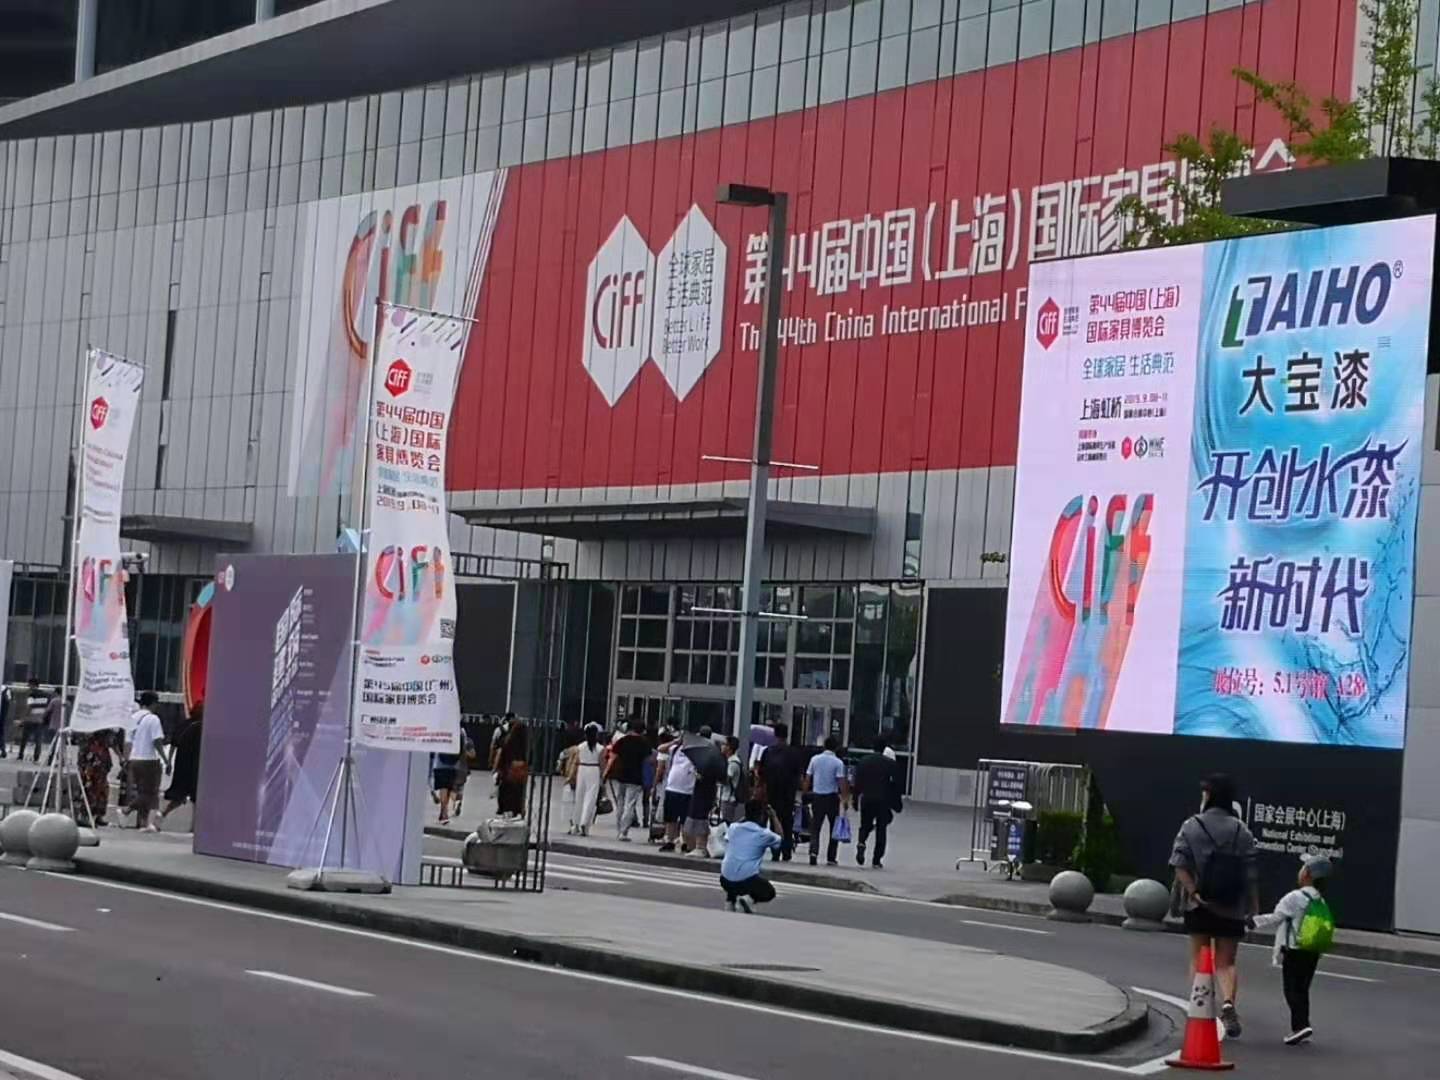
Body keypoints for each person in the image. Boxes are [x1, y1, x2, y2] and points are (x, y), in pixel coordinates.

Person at [1170, 773, 1259, 1039]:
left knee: (1199, 958)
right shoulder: (1241, 830)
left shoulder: (1192, 825)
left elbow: (1179, 864)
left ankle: (1202, 1009)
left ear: (1208, 796)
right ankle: (1228, 1003)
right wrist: (1253, 905)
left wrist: (1193, 891)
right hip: (1232, 905)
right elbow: (1251, 873)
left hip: (1200, 905)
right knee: (1226, 962)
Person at [1250, 854, 1334, 1046]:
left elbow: (1276, 916)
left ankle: (1300, 1026)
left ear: (1307, 874)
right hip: (1312, 951)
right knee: (1303, 989)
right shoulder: (1320, 900)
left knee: (1291, 990)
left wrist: (1252, 922)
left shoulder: (1295, 897)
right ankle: (1302, 1026)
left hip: (1294, 950)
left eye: (1303, 867)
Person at [719, 799, 784, 913]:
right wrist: (774, 816)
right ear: (761, 816)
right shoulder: (763, 834)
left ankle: (730, 901)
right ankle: (748, 899)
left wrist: (748, 814)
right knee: (769, 892)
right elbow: (780, 838)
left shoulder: (733, 828)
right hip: (746, 881)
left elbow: (738, 825)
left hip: (724, 879)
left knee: (735, 866)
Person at [852, 736, 903, 869]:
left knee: (865, 824)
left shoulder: (863, 761)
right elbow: (895, 785)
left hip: (867, 798)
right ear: (884, 748)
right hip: (882, 800)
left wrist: (855, 799)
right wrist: (896, 802)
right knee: (881, 829)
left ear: (872, 747)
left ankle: (861, 841)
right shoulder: (890, 764)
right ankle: (876, 859)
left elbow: (857, 782)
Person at [125, 691, 171, 831]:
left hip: (134, 758)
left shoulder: (132, 718)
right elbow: (157, 741)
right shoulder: (153, 719)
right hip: (149, 759)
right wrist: (166, 760)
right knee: (151, 793)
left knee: (141, 791)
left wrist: (126, 759)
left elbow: (127, 741)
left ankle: (142, 822)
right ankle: (127, 811)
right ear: (153, 703)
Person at [759, 722, 803, 861]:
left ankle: (775, 850)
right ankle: (787, 850)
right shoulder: (794, 753)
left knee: (774, 820)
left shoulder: (768, 752)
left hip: (772, 792)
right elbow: (798, 775)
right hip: (788, 794)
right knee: (787, 821)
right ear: (787, 735)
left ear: (775, 735)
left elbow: (761, 773)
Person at [804, 735, 850, 867]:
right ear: (836, 748)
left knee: (815, 827)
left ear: (824, 746)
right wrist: (845, 799)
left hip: (817, 797)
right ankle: (831, 857)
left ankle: (813, 852)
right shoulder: (838, 762)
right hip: (831, 798)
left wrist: (805, 792)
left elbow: (808, 778)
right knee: (833, 827)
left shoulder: (815, 759)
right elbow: (841, 782)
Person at [607, 718, 651, 841]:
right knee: (630, 804)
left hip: (621, 775)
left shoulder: (622, 740)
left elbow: (612, 757)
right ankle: (624, 831)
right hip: (636, 777)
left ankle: (618, 828)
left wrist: (606, 773)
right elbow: (649, 760)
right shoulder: (644, 743)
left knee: (620, 802)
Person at [683, 725, 723, 858]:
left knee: (700, 818)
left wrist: (700, 775)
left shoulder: (705, 752)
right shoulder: (713, 751)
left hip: (704, 791)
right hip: (707, 791)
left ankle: (701, 846)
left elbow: (707, 774)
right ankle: (697, 846)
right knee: (698, 817)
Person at [161, 705, 204, 824]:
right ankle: (194, 825)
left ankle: (161, 814)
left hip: (181, 764)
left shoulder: (184, 725)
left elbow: (173, 744)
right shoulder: (200, 727)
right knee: (197, 798)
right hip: (194, 766)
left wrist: (169, 761)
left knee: (179, 796)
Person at [658, 732, 696, 853]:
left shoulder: (695, 753)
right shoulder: (675, 748)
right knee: (670, 817)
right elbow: (660, 748)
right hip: (672, 787)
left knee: (685, 819)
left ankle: (684, 841)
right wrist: (675, 742)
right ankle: (670, 840)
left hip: (687, 789)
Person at [78, 727, 121, 827]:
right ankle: (84, 816)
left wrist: (120, 756)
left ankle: (98, 815)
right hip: (91, 765)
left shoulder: (104, 741)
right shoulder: (91, 739)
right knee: (90, 790)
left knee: (102, 791)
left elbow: (112, 743)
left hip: (101, 765)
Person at [569, 724, 604, 836]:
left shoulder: (580, 747)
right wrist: (602, 777)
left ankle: (575, 823)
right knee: (590, 798)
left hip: (582, 769)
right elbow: (602, 764)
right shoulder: (600, 748)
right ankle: (585, 822)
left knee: (579, 797)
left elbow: (576, 761)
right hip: (594, 769)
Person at [494, 719, 528, 816]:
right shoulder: (526, 744)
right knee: (519, 793)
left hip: (508, 771)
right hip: (521, 773)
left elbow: (501, 755)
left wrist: (497, 769)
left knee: (507, 793)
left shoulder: (507, 741)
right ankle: (518, 810)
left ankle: (506, 811)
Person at [17, 678, 48, 763]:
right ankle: (36, 758)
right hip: (40, 720)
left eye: (29, 685)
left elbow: (29, 707)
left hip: (30, 719)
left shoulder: (31, 694)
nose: (29, 687)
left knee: (24, 738)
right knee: (38, 740)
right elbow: (46, 708)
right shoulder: (46, 695)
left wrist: (23, 719)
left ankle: (20, 755)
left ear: (33, 684)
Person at [719, 735, 746, 824]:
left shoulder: (733, 763)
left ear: (729, 748)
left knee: (725, 824)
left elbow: (726, 779)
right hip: (726, 797)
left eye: (724, 744)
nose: (722, 746)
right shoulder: (729, 760)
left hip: (728, 798)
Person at [431, 748, 460, 824]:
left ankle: (444, 813)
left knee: (443, 788)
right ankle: (443, 811)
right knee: (448, 789)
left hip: (440, 765)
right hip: (454, 765)